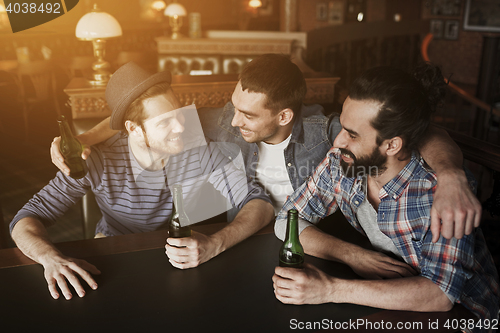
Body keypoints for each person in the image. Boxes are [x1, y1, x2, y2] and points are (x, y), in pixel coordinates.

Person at [51, 54, 480, 279]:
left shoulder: (329, 134)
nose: (232, 122)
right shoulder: (227, 121)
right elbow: (145, 123)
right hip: (246, 239)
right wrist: (83, 139)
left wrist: (450, 175)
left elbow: (419, 133)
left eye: (247, 116)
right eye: (234, 109)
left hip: (313, 244)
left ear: (284, 116)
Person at [10, 62, 274, 300]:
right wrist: (49, 258)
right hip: (114, 256)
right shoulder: (96, 159)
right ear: (133, 130)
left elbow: (260, 204)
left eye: (179, 114)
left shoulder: (196, 146)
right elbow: (27, 217)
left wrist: (215, 244)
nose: (181, 127)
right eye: (164, 123)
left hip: (176, 257)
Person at [272, 64, 499, 327]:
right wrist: (352, 255)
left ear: (392, 144)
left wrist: (330, 289)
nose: (338, 142)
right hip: (395, 306)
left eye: (352, 135)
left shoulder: (438, 192)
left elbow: (441, 294)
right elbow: (287, 219)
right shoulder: (342, 162)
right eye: (343, 128)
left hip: (464, 319)